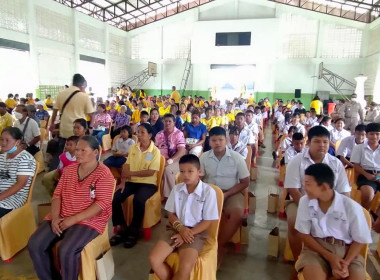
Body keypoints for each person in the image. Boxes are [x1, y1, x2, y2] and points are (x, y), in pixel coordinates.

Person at [28, 136, 114, 280]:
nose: (77, 153)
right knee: (35, 244)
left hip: (88, 220)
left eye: (83, 150)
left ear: (95, 152)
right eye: (77, 149)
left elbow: (101, 204)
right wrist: (55, 218)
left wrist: (73, 219)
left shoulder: (104, 174)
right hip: (62, 215)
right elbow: (57, 195)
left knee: (67, 250)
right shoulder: (69, 170)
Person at [295, 163, 371, 280]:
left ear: (324, 187)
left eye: (308, 184)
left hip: (347, 251)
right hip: (316, 249)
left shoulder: (351, 207)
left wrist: (345, 263)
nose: (304, 188)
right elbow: (304, 234)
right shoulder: (305, 201)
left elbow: (360, 239)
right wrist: (330, 257)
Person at [284, 126, 350, 261]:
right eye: (317, 141)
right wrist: (311, 208)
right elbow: (293, 190)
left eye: (325, 142)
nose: (322, 145)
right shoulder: (297, 161)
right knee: (294, 222)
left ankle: (333, 258)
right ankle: (298, 261)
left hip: (330, 204)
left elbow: (344, 191)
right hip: (299, 201)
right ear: (308, 143)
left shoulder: (335, 164)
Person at [149, 154, 219, 280]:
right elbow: (170, 214)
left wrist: (186, 233)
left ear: (199, 171)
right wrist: (181, 229)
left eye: (190, 171)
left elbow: (208, 221)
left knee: (185, 268)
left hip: (196, 233)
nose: (185, 175)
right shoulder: (177, 189)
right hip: (175, 228)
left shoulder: (208, 192)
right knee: (154, 259)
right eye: (182, 171)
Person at [200, 127, 250, 266]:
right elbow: (200, 178)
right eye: (214, 140)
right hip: (210, 191)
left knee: (237, 213)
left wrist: (227, 194)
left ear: (226, 140)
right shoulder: (204, 157)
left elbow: (245, 182)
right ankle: (202, 242)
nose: (217, 143)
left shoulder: (236, 158)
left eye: (220, 140)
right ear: (209, 142)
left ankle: (219, 246)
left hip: (232, 191)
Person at [110, 123, 161, 248]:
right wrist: (122, 182)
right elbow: (126, 165)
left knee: (138, 200)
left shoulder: (155, 151)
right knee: (115, 197)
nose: (138, 135)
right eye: (138, 132)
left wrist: (131, 173)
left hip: (148, 184)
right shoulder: (134, 148)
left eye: (142, 132)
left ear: (149, 135)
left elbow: (151, 172)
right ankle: (122, 228)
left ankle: (134, 230)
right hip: (131, 182)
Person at [49, 73, 94, 170]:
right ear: (82, 85)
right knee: (80, 155)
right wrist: (90, 128)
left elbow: (55, 112)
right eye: (85, 87)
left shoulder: (61, 94)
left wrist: (52, 124)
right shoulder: (84, 96)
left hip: (64, 131)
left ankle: (55, 177)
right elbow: (91, 115)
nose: (85, 89)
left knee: (60, 154)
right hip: (79, 132)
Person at [0, 127, 36, 218]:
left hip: (14, 198)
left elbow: (21, 184)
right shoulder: (2, 157)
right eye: (1, 139)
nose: (3, 143)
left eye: (7, 140)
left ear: (18, 142)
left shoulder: (25, 159)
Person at [351, 123, 380, 212]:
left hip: (379, 174)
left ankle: (378, 217)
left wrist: (378, 176)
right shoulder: (359, 148)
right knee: (368, 193)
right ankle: (365, 212)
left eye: (377, 134)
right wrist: (367, 175)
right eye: (371, 134)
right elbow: (356, 165)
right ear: (366, 135)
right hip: (365, 175)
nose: (374, 136)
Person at [155, 114, 186, 198]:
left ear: (174, 123)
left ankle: (171, 197)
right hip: (161, 159)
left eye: (170, 121)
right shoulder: (159, 134)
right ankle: (155, 194)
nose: (167, 123)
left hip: (176, 159)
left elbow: (181, 151)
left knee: (167, 170)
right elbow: (155, 150)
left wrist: (170, 161)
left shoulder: (178, 134)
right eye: (166, 121)